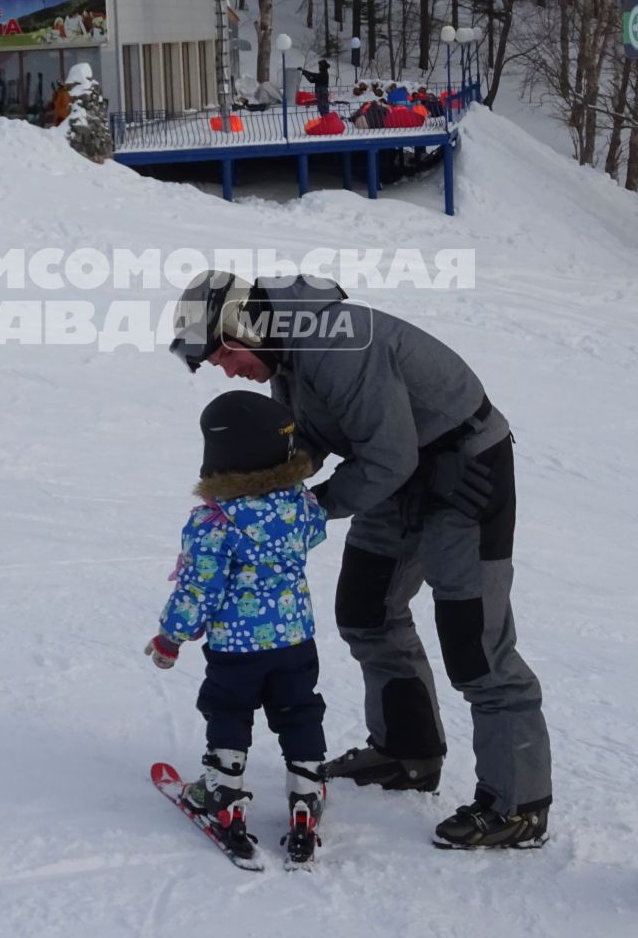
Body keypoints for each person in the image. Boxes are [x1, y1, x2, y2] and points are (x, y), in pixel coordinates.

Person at [168, 272, 552, 850]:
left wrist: (309, 511)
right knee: (366, 612)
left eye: (225, 353)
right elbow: (307, 443)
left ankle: (518, 805)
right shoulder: (290, 358)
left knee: (474, 641)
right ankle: (408, 752)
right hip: (398, 472)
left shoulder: (335, 343)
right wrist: (253, 504)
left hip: (464, 473)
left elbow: (388, 453)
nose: (226, 368)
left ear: (246, 324)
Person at [144, 391, 329, 864]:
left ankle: (222, 797)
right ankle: (306, 794)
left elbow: (197, 590)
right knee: (298, 710)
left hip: (236, 648)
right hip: (294, 640)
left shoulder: (214, 522)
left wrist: (171, 637)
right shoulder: (299, 507)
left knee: (229, 710)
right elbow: (317, 528)